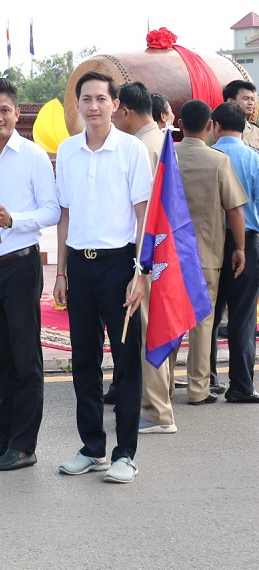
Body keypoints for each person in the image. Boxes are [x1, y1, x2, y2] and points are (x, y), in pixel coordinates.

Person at [54, 71, 152, 484]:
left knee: (126, 361)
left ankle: (125, 453)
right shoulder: (67, 150)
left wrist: (140, 272)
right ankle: (92, 447)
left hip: (120, 264)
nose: (93, 106)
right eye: (86, 99)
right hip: (80, 264)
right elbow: (64, 214)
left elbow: (144, 215)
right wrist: (61, 270)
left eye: (100, 99)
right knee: (84, 359)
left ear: (115, 104)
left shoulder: (131, 150)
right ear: (77, 105)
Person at [0, 79, 60, 471]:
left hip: (20, 266)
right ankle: (4, 434)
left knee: (25, 357)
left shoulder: (33, 156)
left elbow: (52, 210)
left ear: (17, 113)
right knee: (0, 357)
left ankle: (24, 444)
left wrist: (14, 219)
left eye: (5, 110)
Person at [175, 100, 247, 406]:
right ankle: (198, 389)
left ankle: (163, 387)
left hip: (170, 255)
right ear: (209, 126)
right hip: (206, 255)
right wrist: (240, 248)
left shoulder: (167, 156)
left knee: (170, 322)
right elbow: (235, 210)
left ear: (179, 124)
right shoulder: (218, 161)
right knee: (203, 323)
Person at [113, 81, 174, 433]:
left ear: (124, 111)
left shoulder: (141, 147)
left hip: (147, 253)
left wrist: (140, 266)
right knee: (155, 326)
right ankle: (158, 401)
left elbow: (145, 213)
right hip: (161, 250)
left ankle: (157, 411)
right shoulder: (160, 140)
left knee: (148, 329)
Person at [210, 101, 259, 403]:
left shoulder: (209, 156)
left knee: (209, 315)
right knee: (242, 316)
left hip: (210, 242)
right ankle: (241, 385)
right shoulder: (254, 159)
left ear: (215, 126)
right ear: (244, 128)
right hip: (248, 243)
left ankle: (206, 379)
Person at [223, 79, 259, 151]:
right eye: (246, 99)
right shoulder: (216, 127)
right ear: (230, 101)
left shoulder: (256, 132)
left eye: (252, 99)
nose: (251, 103)